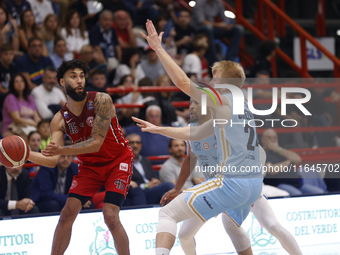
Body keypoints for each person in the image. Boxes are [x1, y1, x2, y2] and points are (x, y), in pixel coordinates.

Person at [136, 20, 263, 255]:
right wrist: (159, 129)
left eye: (214, 78)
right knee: (215, 230)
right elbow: (195, 133)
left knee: (167, 214)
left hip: (232, 182)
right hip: (254, 184)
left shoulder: (223, 98)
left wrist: (159, 48)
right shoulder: (243, 106)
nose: (210, 82)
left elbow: (183, 83)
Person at [149, 99, 301, 255]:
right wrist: (177, 188)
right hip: (214, 187)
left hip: (236, 182)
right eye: (190, 103)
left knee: (269, 225)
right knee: (186, 234)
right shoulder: (191, 129)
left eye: (197, 103)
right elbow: (190, 158)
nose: (192, 107)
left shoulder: (225, 125)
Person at [27, 59, 134, 255]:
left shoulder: (102, 100)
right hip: (90, 167)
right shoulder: (59, 118)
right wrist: (25, 155)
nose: (79, 81)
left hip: (117, 161)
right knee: (66, 214)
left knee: (110, 215)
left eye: (82, 76)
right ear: (61, 82)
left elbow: (95, 143)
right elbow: (51, 160)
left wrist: (60, 150)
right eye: (73, 76)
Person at [262, 128, 325, 196]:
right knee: (298, 195)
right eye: (269, 137)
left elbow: (298, 159)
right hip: (279, 185)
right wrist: (288, 161)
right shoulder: (263, 154)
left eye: (275, 137)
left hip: (297, 184)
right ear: (263, 139)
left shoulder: (281, 151)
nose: (272, 139)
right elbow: (272, 170)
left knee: (319, 192)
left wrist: (277, 149)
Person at [190, 0, 244, 65]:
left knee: (238, 29)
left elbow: (224, 18)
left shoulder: (218, 2)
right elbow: (201, 21)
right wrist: (218, 25)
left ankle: (229, 60)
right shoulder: (199, 2)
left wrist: (228, 24)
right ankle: (214, 61)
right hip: (198, 29)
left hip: (212, 28)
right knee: (208, 28)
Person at [127, 133, 175, 205]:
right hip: (137, 192)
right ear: (127, 144)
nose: (135, 145)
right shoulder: (123, 161)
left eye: (137, 142)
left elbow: (153, 177)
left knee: (165, 196)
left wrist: (156, 181)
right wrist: (146, 185)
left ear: (141, 145)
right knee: (169, 185)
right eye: (132, 142)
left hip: (150, 191)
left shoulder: (146, 160)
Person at [2, 73, 41, 140]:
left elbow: (36, 117)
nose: (19, 83)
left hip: (29, 128)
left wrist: (40, 125)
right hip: (12, 129)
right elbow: (17, 119)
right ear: (12, 84)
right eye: (16, 81)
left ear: (25, 83)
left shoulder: (29, 98)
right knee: (29, 139)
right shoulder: (10, 98)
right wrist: (34, 124)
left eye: (22, 81)